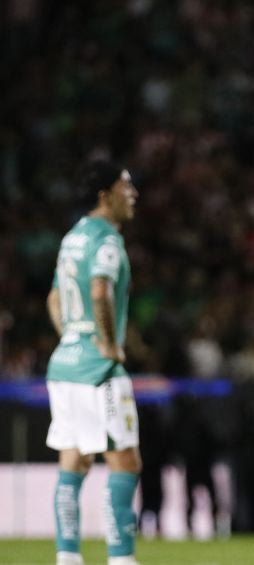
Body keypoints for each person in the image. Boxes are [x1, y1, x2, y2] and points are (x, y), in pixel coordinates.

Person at [45, 160, 141, 565]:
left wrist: (72, 337)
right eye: (126, 187)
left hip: (64, 365)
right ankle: (120, 557)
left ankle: (67, 556)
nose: (133, 194)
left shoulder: (72, 238)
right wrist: (105, 343)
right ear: (106, 196)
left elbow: (53, 299)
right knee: (124, 461)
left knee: (74, 460)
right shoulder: (107, 240)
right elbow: (100, 289)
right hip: (97, 370)